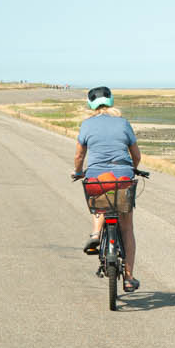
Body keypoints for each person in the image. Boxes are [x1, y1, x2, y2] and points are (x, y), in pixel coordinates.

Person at [71, 85, 142, 292]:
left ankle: (95, 234)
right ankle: (129, 277)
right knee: (127, 227)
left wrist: (78, 172)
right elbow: (136, 155)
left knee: (99, 204)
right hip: (123, 177)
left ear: (90, 103)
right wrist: (134, 169)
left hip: (97, 178)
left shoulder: (86, 125)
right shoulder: (123, 123)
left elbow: (78, 156)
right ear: (111, 100)